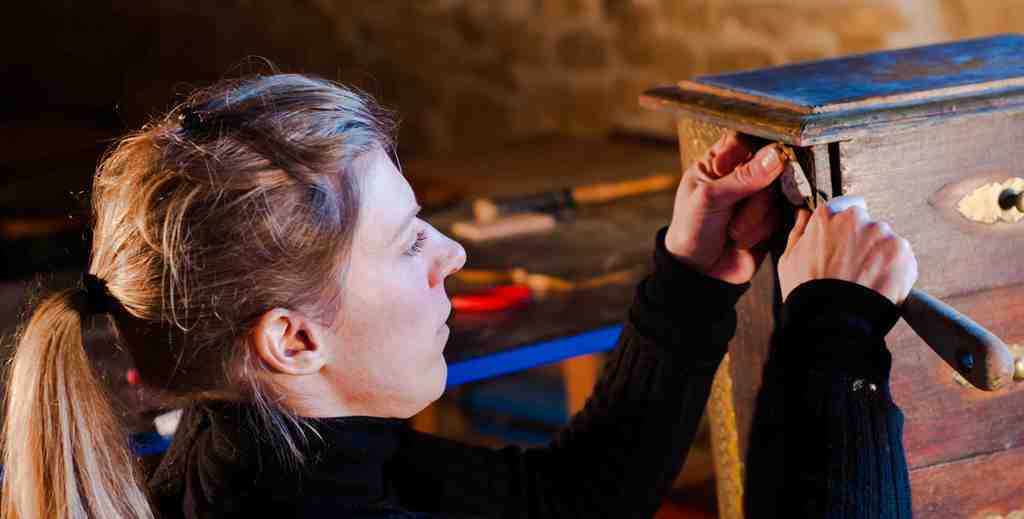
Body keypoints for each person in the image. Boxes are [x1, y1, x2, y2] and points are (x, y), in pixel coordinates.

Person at [0, 74, 915, 519]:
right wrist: (833, 338)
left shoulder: (270, 453)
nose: (453, 251)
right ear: (292, 340)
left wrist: (692, 278)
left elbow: (567, 503)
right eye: (408, 242)